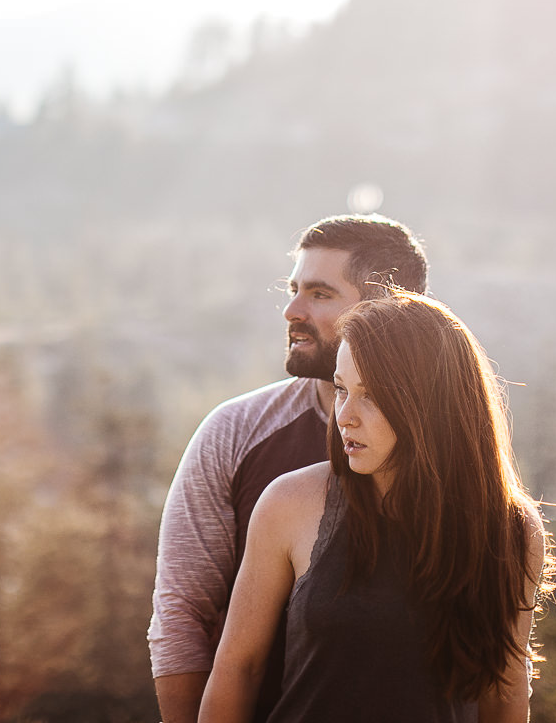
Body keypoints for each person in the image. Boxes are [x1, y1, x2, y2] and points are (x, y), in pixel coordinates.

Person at [198, 291, 556, 723]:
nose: (344, 416)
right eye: (341, 389)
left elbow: (505, 689)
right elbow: (239, 668)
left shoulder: (512, 530)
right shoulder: (288, 504)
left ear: (429, 404)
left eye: (369, 395)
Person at [150, 215, 429, 723]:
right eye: (294, 289)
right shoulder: (235, 432)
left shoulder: (456, 447)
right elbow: (180, 617)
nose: (291, 310)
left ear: (389, 308)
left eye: (320, 294)